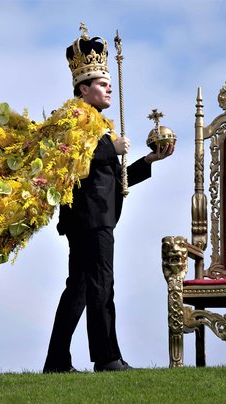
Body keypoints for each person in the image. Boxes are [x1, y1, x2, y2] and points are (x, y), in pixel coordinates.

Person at [43, 26, 174, 373]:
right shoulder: (73, 118)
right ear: (83, 89)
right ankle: (107, 358)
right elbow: (70, 157)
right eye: (101, 83)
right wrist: (108, 149)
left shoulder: (99, 124)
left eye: (108, 82)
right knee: (101, 284)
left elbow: (114, 179)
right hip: (90, 218)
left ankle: (57, 361)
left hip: (95, 215)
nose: (109, 87)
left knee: (81, 288)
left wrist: (147, 161)